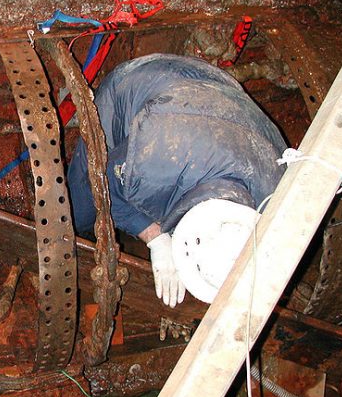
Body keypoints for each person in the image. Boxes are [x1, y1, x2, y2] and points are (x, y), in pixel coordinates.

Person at [67, 54, 286, 307]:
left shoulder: (273, 194)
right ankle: (77, 221)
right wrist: (155, 236)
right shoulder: (154, 162)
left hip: (211, 88)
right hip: (135, 85)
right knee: (82, 207)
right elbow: (102, 182)